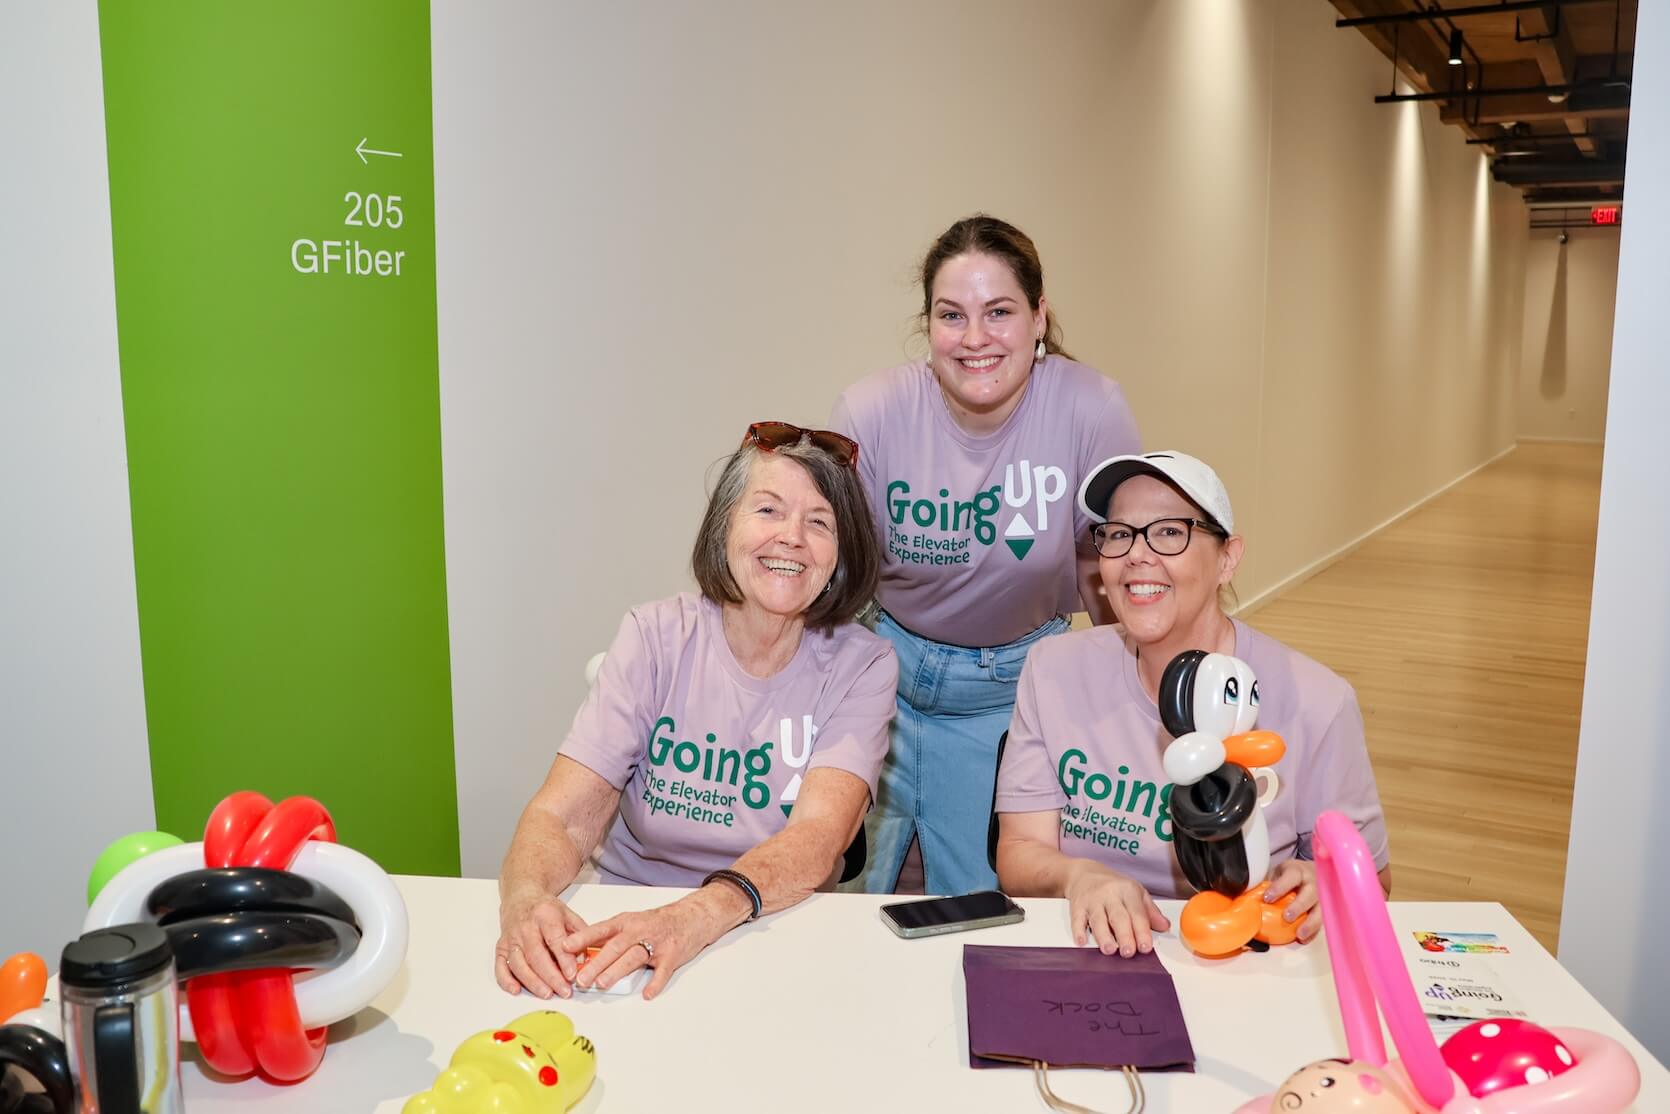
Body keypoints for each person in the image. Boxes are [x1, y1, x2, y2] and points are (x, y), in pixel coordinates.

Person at [496, 422, 897, 1000]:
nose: (791, 537)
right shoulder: (655, 635)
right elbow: (562, 815)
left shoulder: (864, 665)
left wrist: (695, 917)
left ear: (839, 555)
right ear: (725, 528)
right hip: (623, 918)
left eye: (819, 522)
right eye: (768, 510)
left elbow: (817, 837)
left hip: (771, 924)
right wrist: (526, 899)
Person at [831, 215, 1140, 895]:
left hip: (1014, 695)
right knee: (850, 905)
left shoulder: (1091, 409)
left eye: (999, 312)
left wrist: (1135, 712)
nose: (974, 339)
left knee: (980, 911)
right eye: (952, 315)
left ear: (1038, 316)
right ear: (928, 324)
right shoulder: (872, 412)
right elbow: (832, 573)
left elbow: (1113, 570)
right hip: (884, 680)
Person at [993, 450, 1391, 956]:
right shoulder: (1054, 669)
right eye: (1118, 533)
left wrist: (1321, 886)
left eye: (1169, 532)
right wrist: (1081, 876)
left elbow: (1374, 885)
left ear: (1228, 559)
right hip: (1093, 953)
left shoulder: (1318, 701)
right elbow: (1019, 853)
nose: (1137, 554)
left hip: (1246, 969)